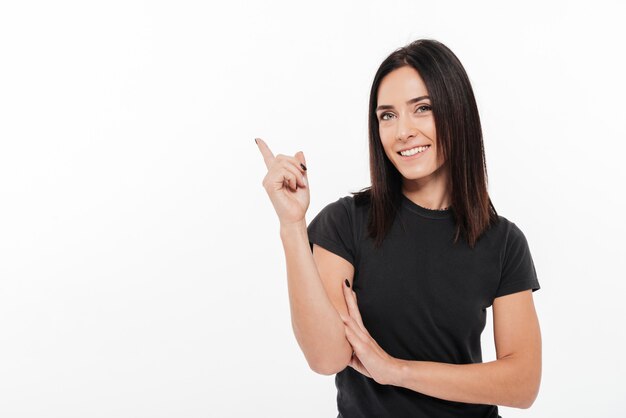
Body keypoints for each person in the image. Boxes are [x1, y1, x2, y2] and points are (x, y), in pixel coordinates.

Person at [255, 38, 541, 418]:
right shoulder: (347, 223)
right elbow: (326, 358)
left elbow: (522, 384)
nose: (402, 131)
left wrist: (397, 371)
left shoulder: (503, 241)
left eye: (422, 109)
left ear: (458, 114)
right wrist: (292, 225)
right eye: (387, 115)